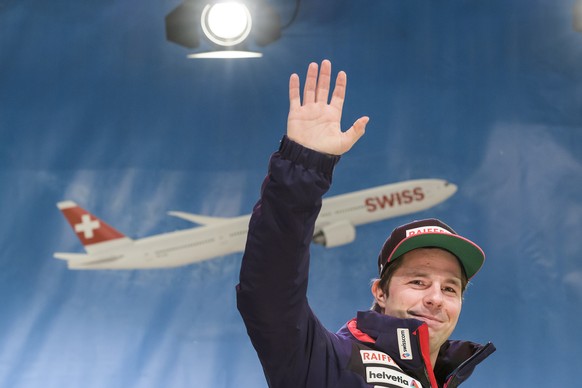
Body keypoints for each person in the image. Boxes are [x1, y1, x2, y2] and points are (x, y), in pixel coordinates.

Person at [236, 60, 495, 388]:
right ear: (380, 292)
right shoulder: (329, 361)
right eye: (417, 282)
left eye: (449, 288)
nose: (435, 298)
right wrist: (303, 164)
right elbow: (270, 289)